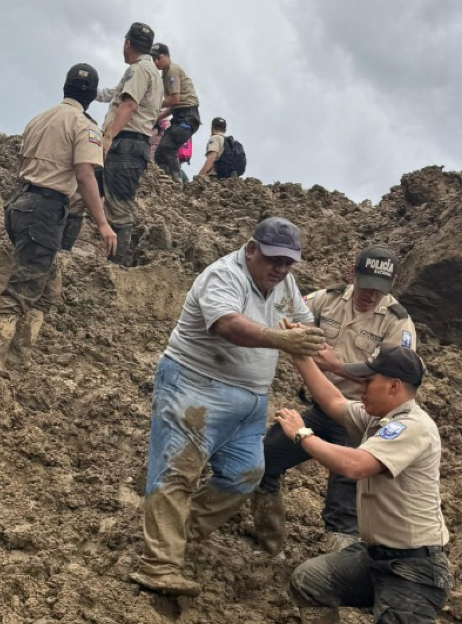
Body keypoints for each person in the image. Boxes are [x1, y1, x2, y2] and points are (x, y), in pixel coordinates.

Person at [129, 217, 326, 597]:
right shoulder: (223, 275)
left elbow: (301, 319)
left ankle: (182, 531)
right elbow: (227, 325)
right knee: (177, 471)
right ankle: (160, 565)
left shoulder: (283, 281)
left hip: (251, 399)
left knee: (246, 473)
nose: (280, 269)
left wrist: (303, 333)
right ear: (251, 248)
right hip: (196, 385)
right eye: (273, 259)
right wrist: (281, 340)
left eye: (288, 263)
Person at [253, 245, 417, 555]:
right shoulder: (327, 299)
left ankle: (336, 579)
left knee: (343, 511)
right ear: (352, 274)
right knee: (263, 461)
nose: (370, 296)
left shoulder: (397, 323)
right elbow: (286, 312)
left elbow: (398, 382)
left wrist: (337, 366)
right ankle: (270, 546)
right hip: (321, 410)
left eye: (379, 291)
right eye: (365, 286)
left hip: (360, 419)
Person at [274, 344, 451, 623]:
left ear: (393, 386)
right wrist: (300, 357)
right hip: (374, 556)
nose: (361, 388)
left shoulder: (412, 426)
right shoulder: (378, 418)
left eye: (368, 381)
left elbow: (355, 465)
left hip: (413, 569)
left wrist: (302, 434)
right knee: (311, 580)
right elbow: (333, 401)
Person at [0, 64, 118, 368]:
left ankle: (20, 355)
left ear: (65, 87)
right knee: (22, 288)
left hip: (19, 204)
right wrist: (104, 224)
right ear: (93, 96)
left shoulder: (39, 118)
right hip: (44, 210)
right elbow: (85, 175)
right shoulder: (85, 126)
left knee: (49, 284)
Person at [97, 22, 163, 266]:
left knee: (119, 209)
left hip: (127, 143)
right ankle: (113, 261)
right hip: (135, 145)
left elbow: (128, 105)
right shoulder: (150, 71)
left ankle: (116, 268)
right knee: (111, 201)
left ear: (127, 43)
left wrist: (108, 136)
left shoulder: (139, 70)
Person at [150, 43, 201, 183]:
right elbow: (174, 106)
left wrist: (152, 105)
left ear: (167, 56)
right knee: (160, 153)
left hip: (187, 117)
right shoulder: (166, 72)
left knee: (167, 149)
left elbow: (174, 99)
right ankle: (166, 182)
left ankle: (177, 183)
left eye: (158, 58)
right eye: (152, 58)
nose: (155, 62)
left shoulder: (171, 70)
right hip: (181, 116)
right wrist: (156, 118)